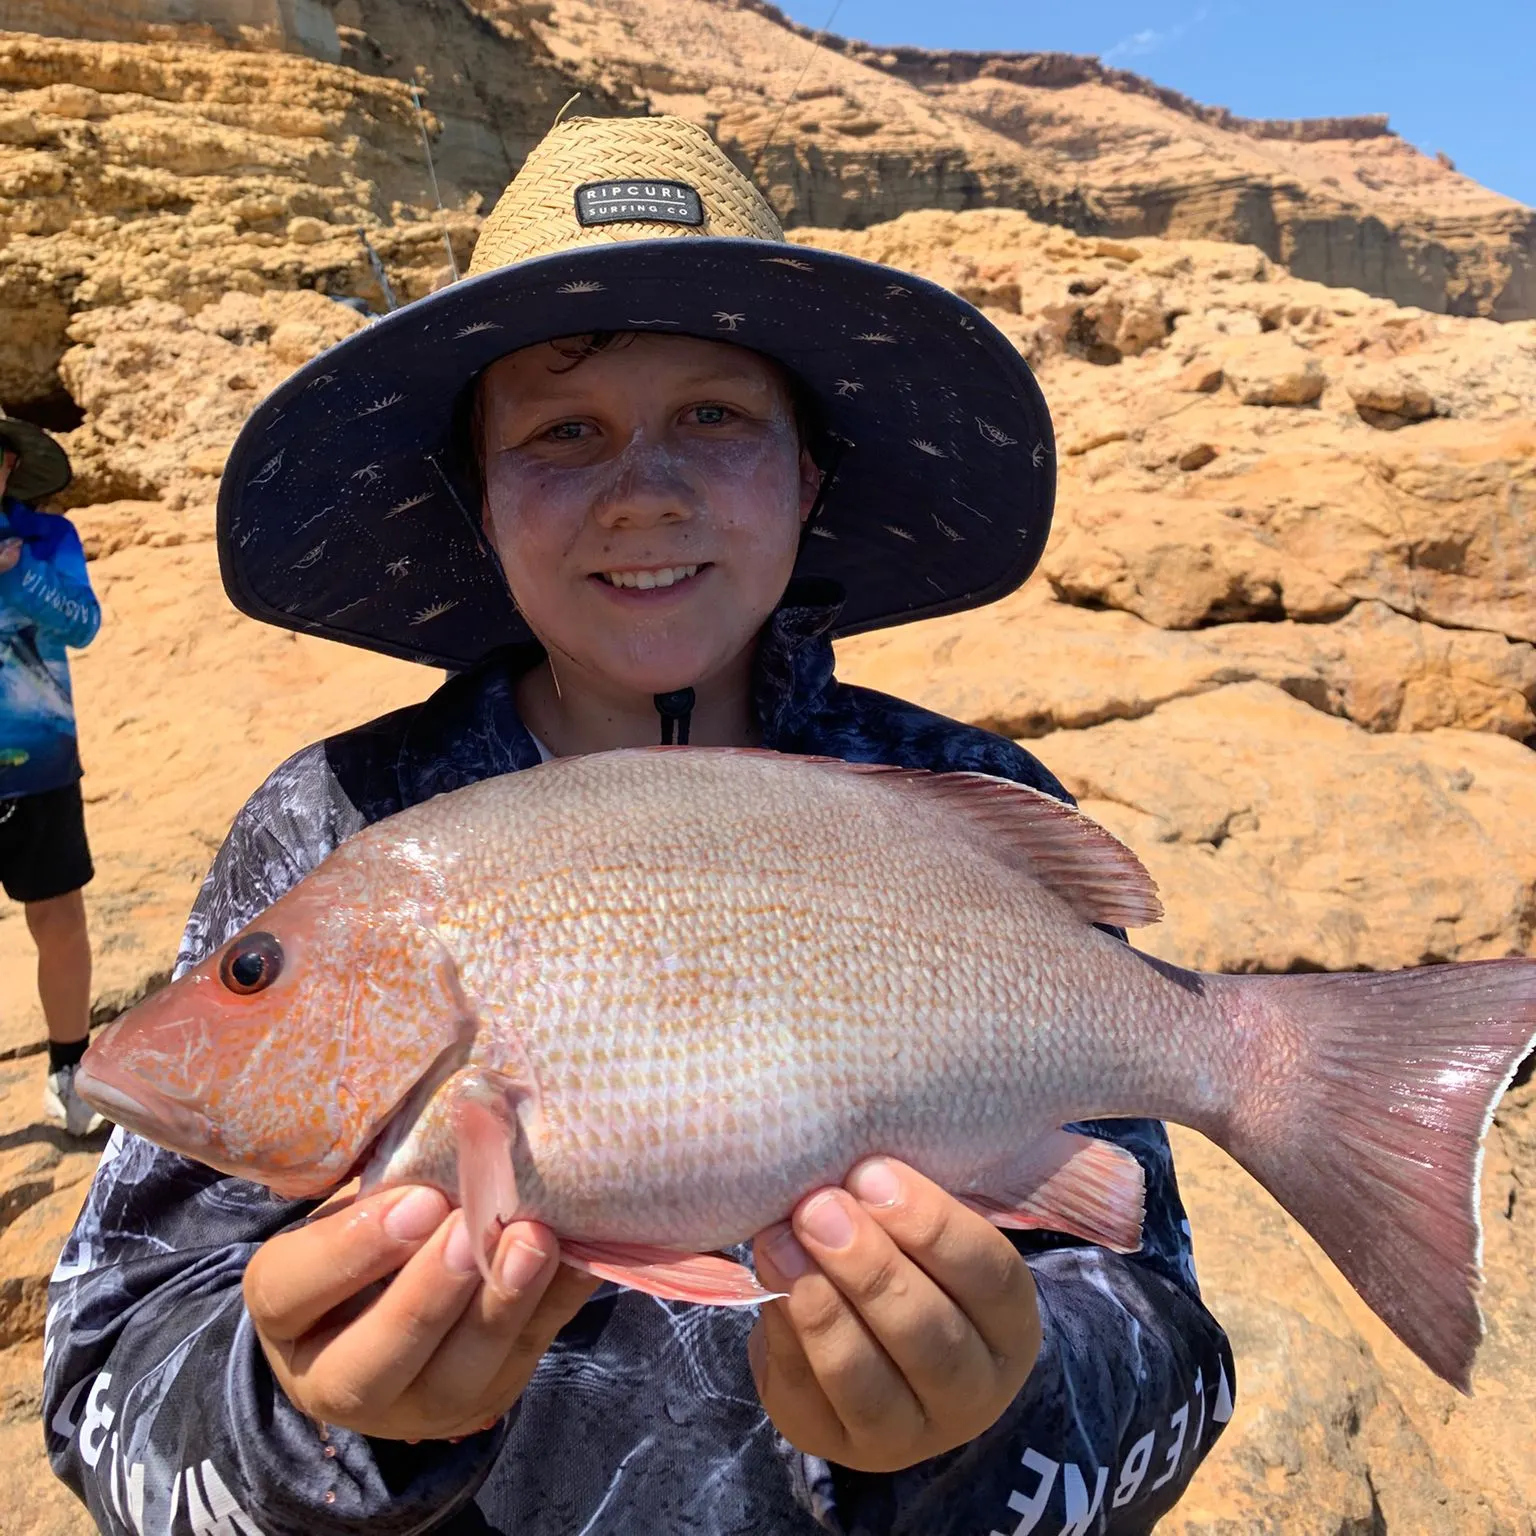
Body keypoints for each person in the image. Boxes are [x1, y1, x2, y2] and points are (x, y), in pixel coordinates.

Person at [45, 116, 1234, 1534]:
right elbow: (105, 1377)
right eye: (562, 432)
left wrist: (985, 1422)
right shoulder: (330, 828)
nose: (643, 489)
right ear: (480, 503)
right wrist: (313, 1429)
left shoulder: (977, 808)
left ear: (808, 476)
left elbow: (1170, 1355)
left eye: (716, 417)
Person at [0, 409, 103, 1138]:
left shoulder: (47, 540)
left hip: (39, 767)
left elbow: (83, 624)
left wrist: (19, 576)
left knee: (58, 921)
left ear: (9, 469)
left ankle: (70, 1066)